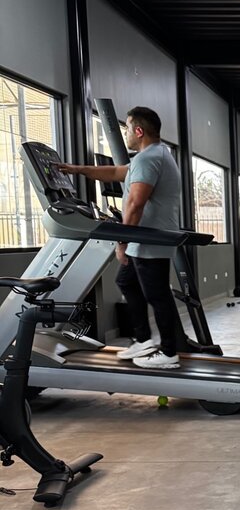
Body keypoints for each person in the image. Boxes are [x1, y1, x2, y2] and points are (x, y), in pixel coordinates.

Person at [59, 106, 183, 369]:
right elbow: (116, 173)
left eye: (127, 128)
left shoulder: (149, 159)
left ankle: (169, 352)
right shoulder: (153, 155)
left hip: (149, 242)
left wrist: (122, 242)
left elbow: (136, 204)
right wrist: (76, 169)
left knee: (158, 295)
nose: (125, 133)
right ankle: (143, 339)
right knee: (126, 282)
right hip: (145, 240)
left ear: (138, 131)